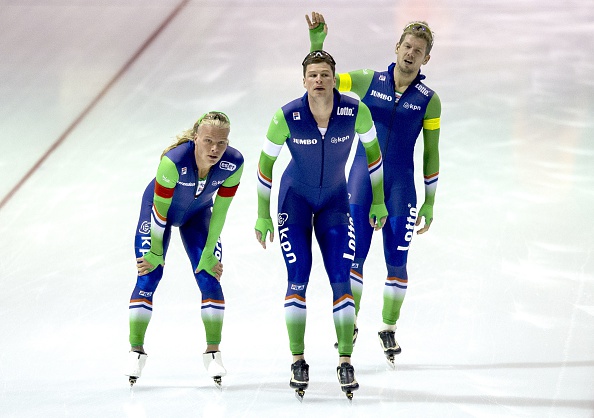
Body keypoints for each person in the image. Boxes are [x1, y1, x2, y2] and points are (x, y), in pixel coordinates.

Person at [306, 12, 441, 367]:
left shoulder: (430, 99)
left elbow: (431, 152)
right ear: (396, 47)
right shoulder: (368, 80)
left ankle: (388, 327)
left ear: (426, 58)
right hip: (360, 183)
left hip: (401, 188)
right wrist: (317, 46)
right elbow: (323, 85)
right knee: (355, 258)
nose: (411, 53)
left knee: (397, 262)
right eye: (407, 46)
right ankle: (350, 325)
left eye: (419, 50)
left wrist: (430, 200)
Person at [254, 49, 388, 400]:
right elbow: (265, 166)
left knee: (341, 278)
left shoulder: (355, 112)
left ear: (333, 78)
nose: (318, 80)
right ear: (303, 80)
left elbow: (374, 156)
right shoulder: (286, 116)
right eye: (312, 75)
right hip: (294, 202)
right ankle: (298, 359)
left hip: (334, 201)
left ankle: (345, 359)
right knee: (298, 277)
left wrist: (378, 199)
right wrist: (262, 213)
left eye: (324, 74)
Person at [125, 111, 244, 387]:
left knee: (209, 277)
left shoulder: (234, 163)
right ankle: (135, 350)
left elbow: (221, 211)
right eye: (208, 141)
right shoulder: (174, 162)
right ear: (195, 138)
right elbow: (159, 210)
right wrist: (155, 251)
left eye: (222, 143)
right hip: (158, 215)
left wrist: (210, 248)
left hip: (198, 216)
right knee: (149, 275)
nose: (215, 149)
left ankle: (213, 352)